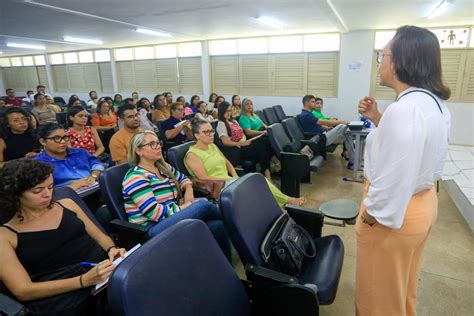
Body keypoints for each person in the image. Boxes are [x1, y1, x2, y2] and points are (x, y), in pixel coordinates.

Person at [355, 26, 451, 316]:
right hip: (422, 204)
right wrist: (376, 118)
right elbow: (409, 150)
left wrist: (369, 215)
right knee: (400, 293)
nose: (380, 63)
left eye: (381, 55)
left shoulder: (405, 110)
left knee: (376, 302)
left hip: (394, 215)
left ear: (399, 61)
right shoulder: (431, 103)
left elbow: (394, 179)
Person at [0, 159, 125, 315]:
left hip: (100, 270)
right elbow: (23, 290)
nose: (48, 194)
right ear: (15, 194)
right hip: (62, 291)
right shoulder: (5, 236)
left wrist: (112, 248)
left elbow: (100, 236)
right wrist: (83, 281)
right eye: (38, 191)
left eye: (51, 187)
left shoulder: (66, 204)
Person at [122, 130, 230, 258]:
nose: (158, 147)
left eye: (158, 143)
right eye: (152, 144)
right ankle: (234, 218)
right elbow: (155, 213)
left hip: (171, 217)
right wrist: (185, 207)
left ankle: (225, 269)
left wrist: (188, 191)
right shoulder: (136, 177)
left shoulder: (163, 167)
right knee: (203, 205)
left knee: (218, 226)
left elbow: (184, 179)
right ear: (138, 151)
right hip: (151, 228)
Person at [185, 119, 305, 207]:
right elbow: (204, 178)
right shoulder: (192, 155)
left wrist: (234, 175)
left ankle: (282, 203)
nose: (211, 134)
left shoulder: (212, 146)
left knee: (259, 180)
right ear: (196, 135)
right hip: (218, 187)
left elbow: (227, 162)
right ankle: (287, 201)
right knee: (256, 182)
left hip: (228, 180)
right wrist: (229, 180)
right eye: (206, 132)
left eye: (211, 131)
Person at [34, 123, 104, 190]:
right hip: (66, 198)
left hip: (96, 188)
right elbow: (42, 191)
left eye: (65, 137)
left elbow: (96, 163)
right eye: (57, 138)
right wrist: (71, 187)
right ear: (43, 141)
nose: (63, 142)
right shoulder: (39, 165)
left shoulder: (80, 152)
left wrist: (94, 176)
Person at [217, 102, 273, 179]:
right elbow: (225, 142)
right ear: (221, 112)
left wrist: (243, 141)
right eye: (226, 111)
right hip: (235, 149)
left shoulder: (233, 121)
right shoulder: (221, 124)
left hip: (243, 144)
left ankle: (266, 173)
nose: (228, 113)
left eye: (229, 111)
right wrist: (241, 143)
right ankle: (267, 174)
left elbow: (242, 133)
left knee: (265, 141)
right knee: (262, 144)